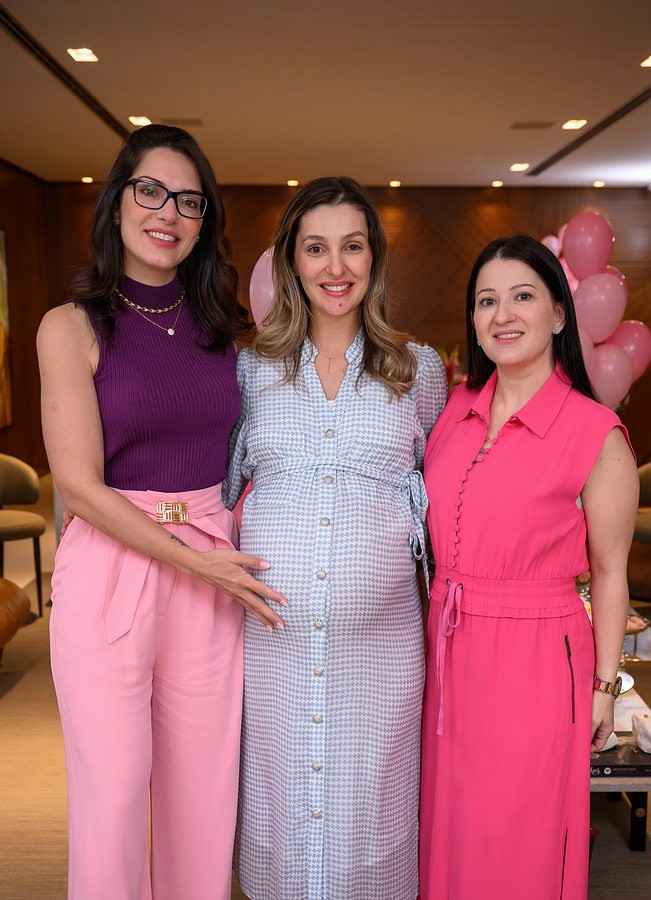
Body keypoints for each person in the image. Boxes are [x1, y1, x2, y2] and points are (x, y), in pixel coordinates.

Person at [37, 124, 287, 900]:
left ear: (204, 220)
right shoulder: (70, 326)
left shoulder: (226, 332)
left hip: (210, 564)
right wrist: (193, 561)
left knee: (202, 798)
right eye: (150, 191)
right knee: (113, 796)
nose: (167, 213)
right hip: (111, 567)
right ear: (117, 203)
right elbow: (79, 487)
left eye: (188, 200)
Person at [224, 176, 448, 899]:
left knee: (371, 820)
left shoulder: (418, 372)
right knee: (280, 817)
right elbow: (219, 497)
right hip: (274, 654)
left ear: (373, 258)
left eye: (352, 246)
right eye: (315, 248)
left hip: (381, 659)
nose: (335, 267)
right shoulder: (250, 371)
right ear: (291, 261)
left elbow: (442, 499)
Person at [419, 235, 639, 899]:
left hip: (537, 659)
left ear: (559, 313)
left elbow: (610, 573)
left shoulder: (594, 431)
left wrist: (604, 686)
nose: (502, 315)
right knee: (451, 827)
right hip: (447, 651)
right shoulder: (453, 413)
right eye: (486, 301)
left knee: (518, 833)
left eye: (522, 296)